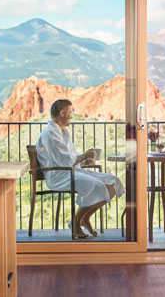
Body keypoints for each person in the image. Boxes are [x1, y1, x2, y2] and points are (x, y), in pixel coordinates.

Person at [36, 99, 124, 238]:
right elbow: (65, 161)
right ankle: (76, 222)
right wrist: (83, 156)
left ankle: (84, 218)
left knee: (113, 182)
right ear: (63, 113)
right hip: (59, 176)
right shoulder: (50, 134)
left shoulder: (63, 133)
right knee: (97, 185)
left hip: (71, 171)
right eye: (71, 112)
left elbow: (69, 158)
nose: (72, 115)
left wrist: (84, 161)